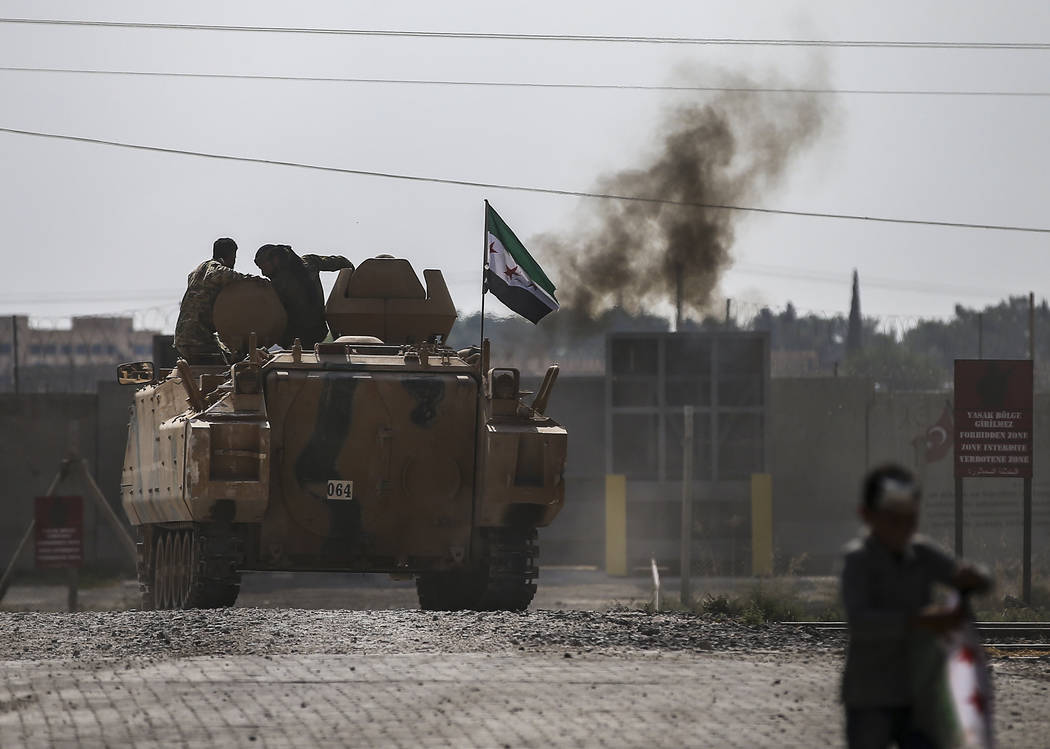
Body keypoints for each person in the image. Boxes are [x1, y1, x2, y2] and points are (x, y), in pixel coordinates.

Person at [841, 464, 991, 749]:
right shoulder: (858, 560)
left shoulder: (922, 553)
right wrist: (919, 621)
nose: (903, 528)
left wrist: (974, 577)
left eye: (909, 519)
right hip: (869, 696)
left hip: (917, 695)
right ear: (867, 516)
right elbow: (860, 622)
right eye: (892, 520)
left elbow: (969, 577)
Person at [174, 238, 263, 363]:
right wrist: (257, 280)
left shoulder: (197, 271)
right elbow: (230, 276)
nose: (234, 262)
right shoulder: (215, 270)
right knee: (230, 368)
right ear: (230, 256)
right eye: (234, 258)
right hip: (198, 339)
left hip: (183, 338)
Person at [254, 244, 353, 348]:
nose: (263, 273)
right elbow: (344, 263)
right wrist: (350, 290)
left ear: (276, 259)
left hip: (297, 342)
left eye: (263, 267)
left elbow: (343, 263)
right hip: (319, 334)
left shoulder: (277, 286)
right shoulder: (310, 262)